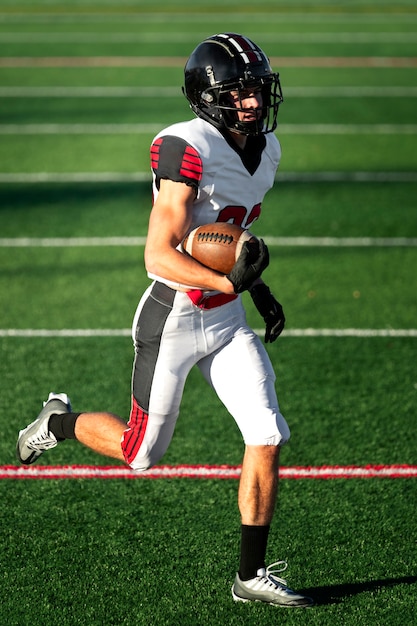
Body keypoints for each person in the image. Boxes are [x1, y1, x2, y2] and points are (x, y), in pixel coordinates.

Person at [16, 33, 313, 608]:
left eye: (257, 89)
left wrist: (257, 288)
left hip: (225, 320)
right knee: (141, 454)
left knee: (268, 433)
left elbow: (227, 239)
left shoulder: (267, 148)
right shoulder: (185, 146)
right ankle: (57, 422)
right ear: (208, 98)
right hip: (173, 317)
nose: (253, 103)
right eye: (239, 92)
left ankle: (250, 577)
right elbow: (160, 253)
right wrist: (231, 281)